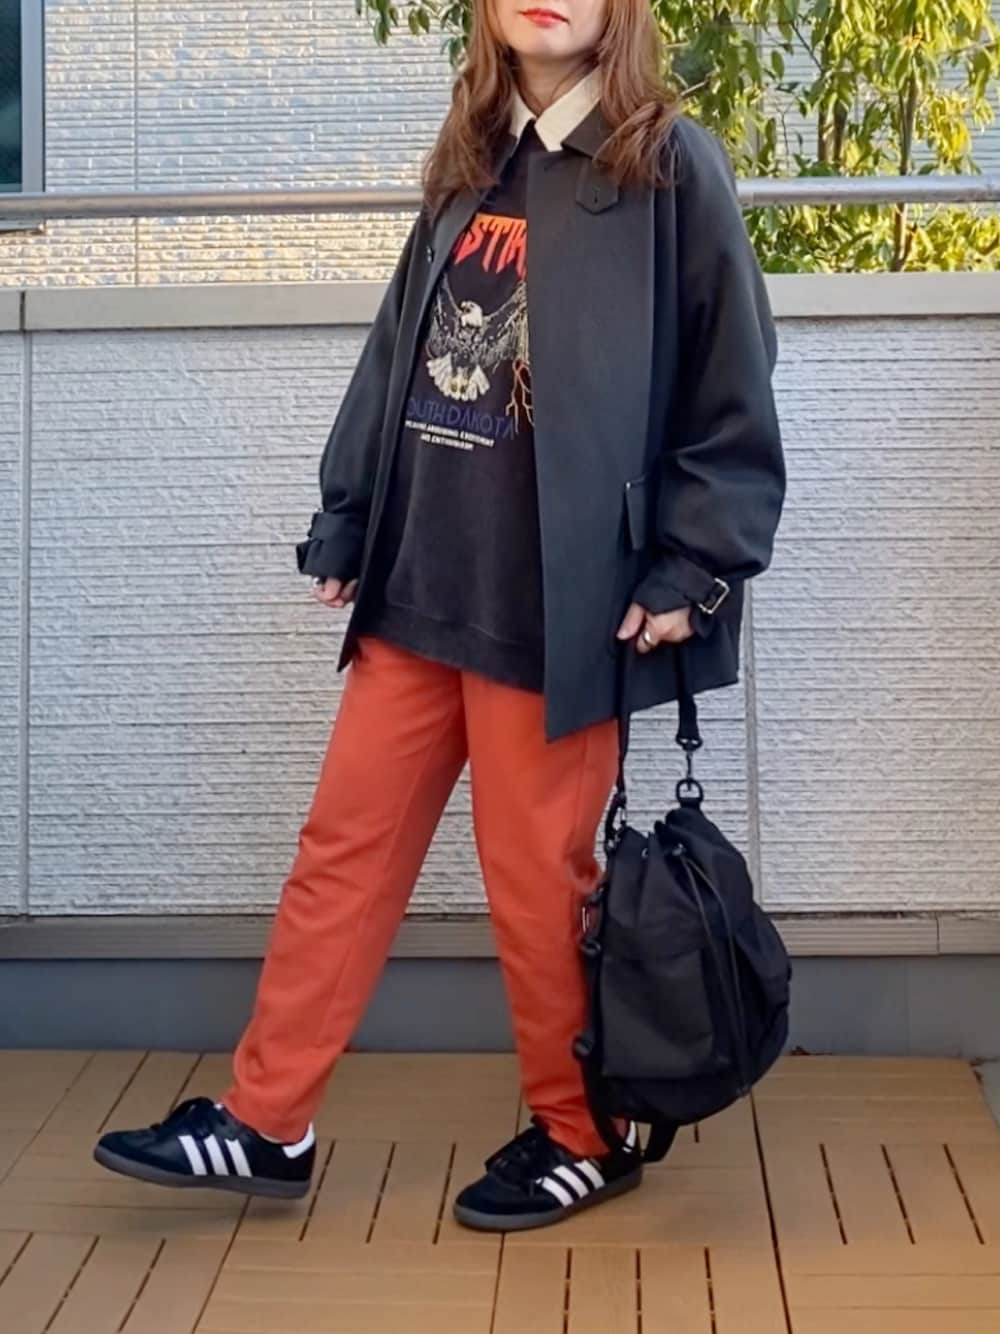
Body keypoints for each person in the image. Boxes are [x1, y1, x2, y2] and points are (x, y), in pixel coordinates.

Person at [93, 0, 784, 1233]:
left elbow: (730, 382)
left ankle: (584, 1133)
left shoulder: (669, 164)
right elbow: (394, 354)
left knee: (540, 887)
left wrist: (696, 566)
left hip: (556, 610)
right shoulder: (473, 154)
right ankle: (268, 1118)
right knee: (340, 852)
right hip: (419, 587)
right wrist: (348, 512)